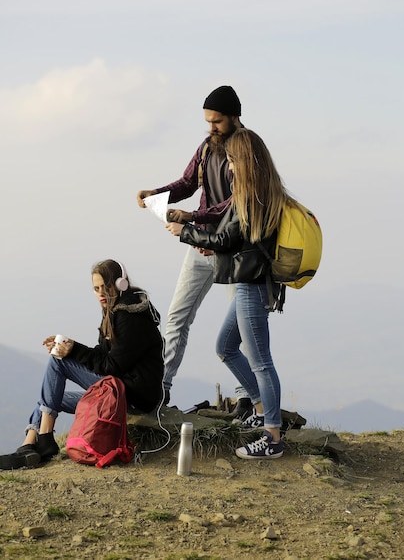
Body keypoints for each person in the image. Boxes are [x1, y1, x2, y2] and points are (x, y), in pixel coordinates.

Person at [166, 129, 296, 460]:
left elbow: (227, 239)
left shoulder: (254, 195)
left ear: (246, 161)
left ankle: (272, 436)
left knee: (261, 361)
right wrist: (203, 232)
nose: (231, 167)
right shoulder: (260, 191)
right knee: (224, 347)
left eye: (234, 161)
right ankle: (259, 407)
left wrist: (186, 232)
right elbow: (234, 236)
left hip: (254, 284)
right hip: (248, 281)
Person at [137, 85, 251, 413]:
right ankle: (161, 389)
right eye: (208, 121)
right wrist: (155, 194)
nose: (211, 127)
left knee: (243, 323)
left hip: (234, 251)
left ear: (234, 116)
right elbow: (188, 183)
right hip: (199, 245)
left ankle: (246, 396)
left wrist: (192, 218)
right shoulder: (206, 147)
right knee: (176, 317)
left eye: (217, 121)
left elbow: (236, 203)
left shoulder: (248, 150)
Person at [0, 259, 164, 470]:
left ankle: (45, 440)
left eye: (105, 288)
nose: (100, 294)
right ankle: (28, 447)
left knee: (58, 363)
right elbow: (103, 355)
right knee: (50, 397)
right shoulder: (115, 310)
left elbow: (111, 366)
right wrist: (71, 347)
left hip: (131, 397)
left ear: (120, 284)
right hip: (118, 392)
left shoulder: (129, 316)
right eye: (96, 289)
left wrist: (73, 350)